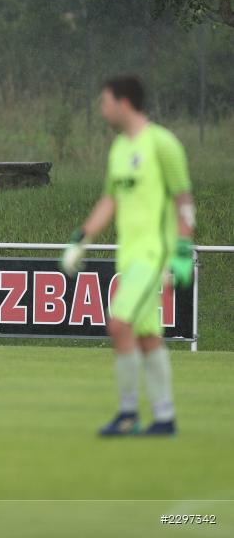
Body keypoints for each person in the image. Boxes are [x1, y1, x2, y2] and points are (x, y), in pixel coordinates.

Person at [61, 76, 194, 437]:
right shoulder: (119, 148)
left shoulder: (162, 144)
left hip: (156, 254)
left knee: (118, 324)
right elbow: (111, 199)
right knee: (148, 336)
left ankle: (128, 414)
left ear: (124, 103)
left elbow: (184, 201)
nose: (101, 109)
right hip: (129, 255)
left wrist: (182, 251)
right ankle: (164, 418)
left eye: (105, 101)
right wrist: (81, 239)